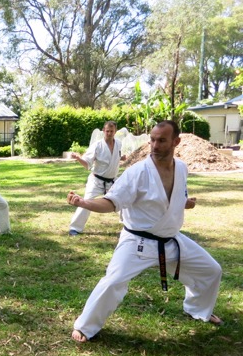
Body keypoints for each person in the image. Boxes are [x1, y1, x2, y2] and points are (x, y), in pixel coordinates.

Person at [67, 120, 222, 343]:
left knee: (211, 270)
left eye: (162, 140)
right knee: (113, 282)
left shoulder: (181, 168)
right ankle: (85, 326)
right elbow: (112, 202)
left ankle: (197, 309)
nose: (155, 145)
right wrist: (85, 203)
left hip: (170, 240)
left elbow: (171, 197)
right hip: (137, 242)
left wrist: (184, 202)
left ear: (176, 142)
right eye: (152, 140)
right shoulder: (137, 172)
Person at [69, 121, 123, 236]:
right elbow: (87, 164)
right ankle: (75, 228)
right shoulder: (97, 145)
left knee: (122, 200)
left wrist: (121, 157)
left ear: (115, 131)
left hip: (112, 181)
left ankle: (129, 224)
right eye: (107, 131)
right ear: (103, 131)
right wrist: (78, 158)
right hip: (96, 181)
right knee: (86, 201)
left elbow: (116, 157)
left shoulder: (118, 143)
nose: (109, 133)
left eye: (112, 131)